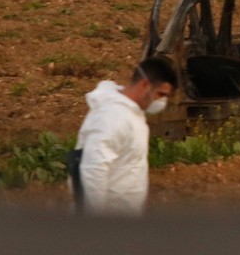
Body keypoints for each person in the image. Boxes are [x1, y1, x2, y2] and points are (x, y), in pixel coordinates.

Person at [70, 56, 178, 216]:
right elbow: (93, 169)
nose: (161, 102)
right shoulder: (113, 116)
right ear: (144, 85)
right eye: (160, 94)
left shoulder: (130, 113)